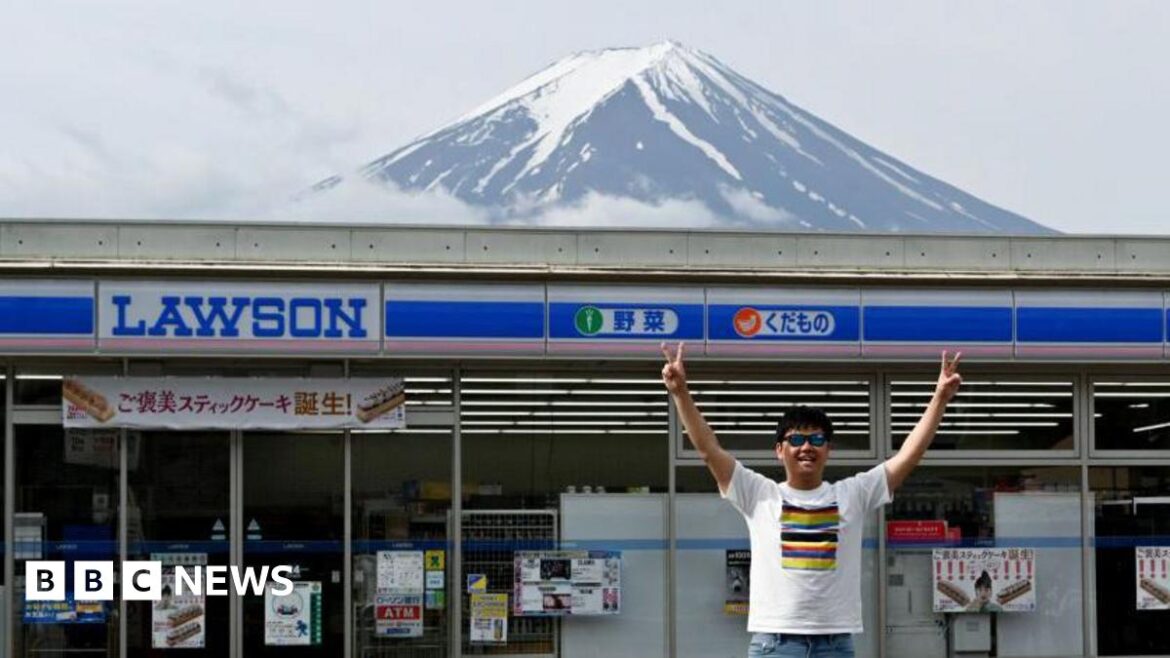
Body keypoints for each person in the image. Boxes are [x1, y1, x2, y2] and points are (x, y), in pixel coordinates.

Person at [660, 342, 962, 658]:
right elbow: (709, 450)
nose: (807, 446)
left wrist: (940, 398)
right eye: (797, 439)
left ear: (828, 449)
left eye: (817, 439)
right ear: (779, 450)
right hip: (775, 645)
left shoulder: (852, 494)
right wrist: (680, 392)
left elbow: (909, 455)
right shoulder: (759, 494)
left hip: (834, 645)